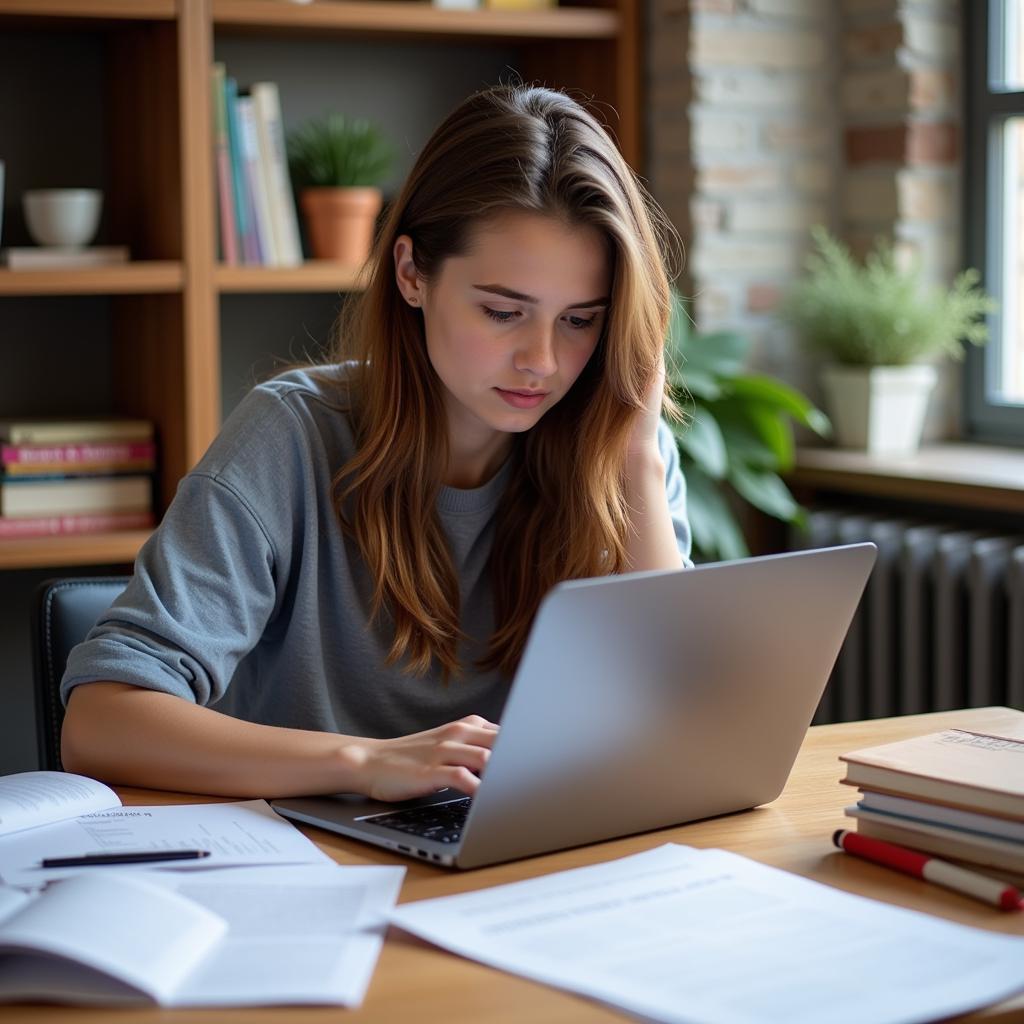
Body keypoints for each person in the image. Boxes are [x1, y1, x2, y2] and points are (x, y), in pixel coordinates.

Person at [60, 84, 692, 801]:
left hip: (528, 864)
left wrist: (638, 462)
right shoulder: (291, 436)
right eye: (503, 311)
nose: (543, 361)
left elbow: (680, 722)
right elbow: (100, 723)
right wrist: (365, 763)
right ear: (411, 273)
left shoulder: (621, 446)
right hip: (314, 866)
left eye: (580, 320)